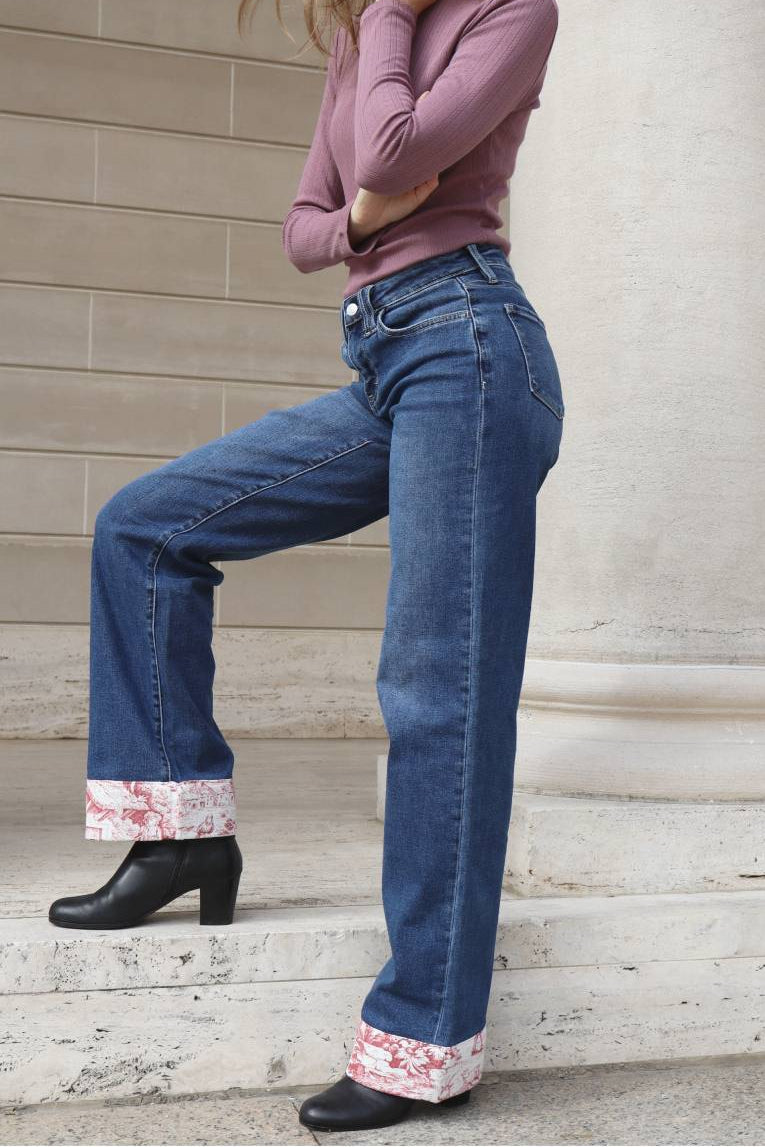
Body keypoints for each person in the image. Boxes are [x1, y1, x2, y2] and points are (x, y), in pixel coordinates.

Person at [48, 0, 563, 1133]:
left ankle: (424, 1037)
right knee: (145, 528)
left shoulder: (510, 12)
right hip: (386, 360)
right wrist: (368, 220)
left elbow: (381, 154)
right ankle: (183, 837)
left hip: (471, 348)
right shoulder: (354, 47)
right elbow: (303, 223)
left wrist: (384, 34)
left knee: (438, 694)